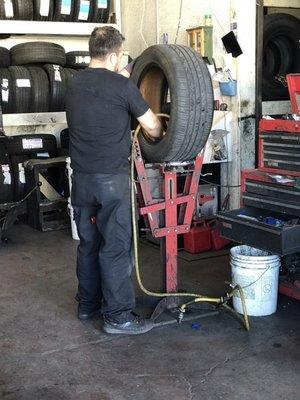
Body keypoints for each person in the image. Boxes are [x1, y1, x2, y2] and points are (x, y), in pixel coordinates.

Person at [65, 26, 163, 335]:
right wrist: (156, 126)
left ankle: (87, 305)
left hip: (81, 180)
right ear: (113, 55)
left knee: (88, 243)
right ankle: (118, 317)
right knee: (116, 247)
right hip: (112, 182)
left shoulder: (73, 84)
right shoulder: (122, 86)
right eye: (119, 55)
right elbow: (153, 128)